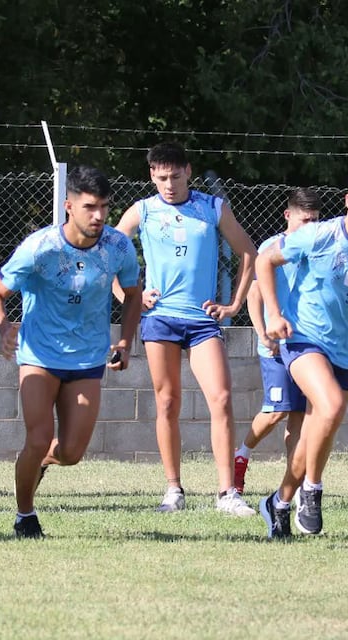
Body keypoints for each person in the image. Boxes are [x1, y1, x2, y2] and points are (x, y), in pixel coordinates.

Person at [0, 165, 142, 538]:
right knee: (37, 438)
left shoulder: (118, 247)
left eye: (104, 206)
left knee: (70, 453)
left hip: (87, 359)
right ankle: (25, 515)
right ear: (69, 205)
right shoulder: (40, 248)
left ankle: (36, 465)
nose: (99, 216)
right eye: (90, 207)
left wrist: (125, 341)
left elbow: (133, 294)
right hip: (39, 356)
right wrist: (5, 328)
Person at [256, 164, 348, 539]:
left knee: (312, 437)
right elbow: (265, 260)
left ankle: (279, 502)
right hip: (303, 337)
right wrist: (273, 314)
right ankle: (314, 490)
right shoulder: (318, 236)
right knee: (332, 405)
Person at [114, 142, 257, 515]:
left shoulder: (211, 208)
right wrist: (129, 295)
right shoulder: (142, 210)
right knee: (167, 402)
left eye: (175, 176)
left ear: (188, 172)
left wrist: (234, 303)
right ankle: (173, 490)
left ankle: (227, 494)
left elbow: (248, 252)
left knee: (222, 398)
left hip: (201, 321)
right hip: (160, 319)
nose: (169, 184)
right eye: (161, 178)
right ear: (151, 176)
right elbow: (107, 255)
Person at [234, 188, 322, 494]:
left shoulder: (317, 250)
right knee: (275, 412)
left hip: (306, 346)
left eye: (315, 221)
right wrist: (263, 332)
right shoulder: (272, 248)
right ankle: (241, 456)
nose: (310, 227)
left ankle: (294, 487)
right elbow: (253, 295)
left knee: (298, 418)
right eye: (304, 220)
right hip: (275, 345)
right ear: (288, 216)